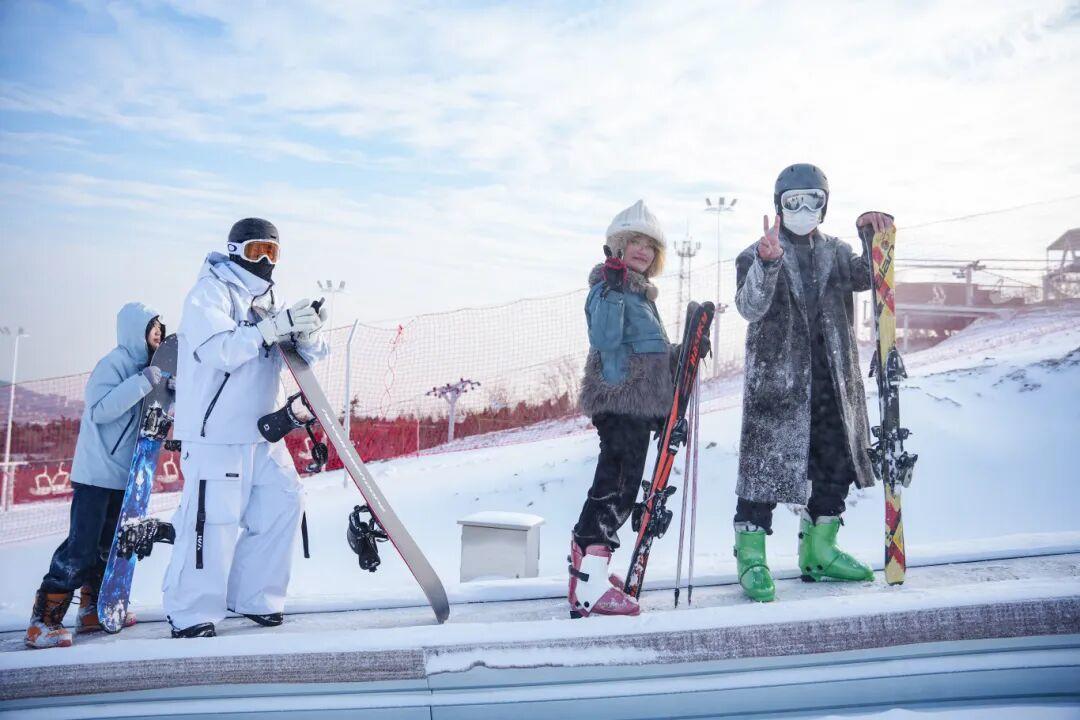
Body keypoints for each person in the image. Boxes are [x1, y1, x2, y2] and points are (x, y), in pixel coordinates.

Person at [732, 163, 893, 602]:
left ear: (825, 205)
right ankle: (751, 557)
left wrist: (871, 233)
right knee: (764, 472)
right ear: (779, 206)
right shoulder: (754, 254)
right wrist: (767, 264)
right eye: (793, 201)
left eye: (813, 201)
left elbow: (869, 276)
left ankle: (820, 551)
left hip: (832, 380)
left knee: (835, 462)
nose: (803, 209)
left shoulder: (837, 252)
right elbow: (749, 306)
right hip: (778, 384)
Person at [161, 217, 328, 638]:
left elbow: (303, 355)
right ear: (235, 250)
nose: (266, 260)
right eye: (257, 250)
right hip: (217, 435)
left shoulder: (271, 298)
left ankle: (255, 596)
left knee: (284, 502)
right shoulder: (209, 293)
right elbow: (219, 350)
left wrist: (307, 332)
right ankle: (191, 611)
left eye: (273, 251)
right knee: (212, 523)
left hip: (263, 431)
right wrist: (271, 328)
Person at [25, 304, 166, 648]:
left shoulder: (149, 370)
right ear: (135, 330)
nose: (158, 331)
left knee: (109, 546)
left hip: (122, 475)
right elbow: (100, 409)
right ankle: (43, 620)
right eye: (152, 326)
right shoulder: (114, 364)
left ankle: (92, 608)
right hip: (95, 474)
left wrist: (165, 387)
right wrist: (142, 383)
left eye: (160, 327)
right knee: (81, 546)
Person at [568, 199, 674, 618]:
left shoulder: (640, 294)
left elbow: (647, 351)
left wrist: (682, 355)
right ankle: (590, 585)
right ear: (617, 246)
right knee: (616, 488)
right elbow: (606, 338)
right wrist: (612, 289)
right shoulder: (608, 288)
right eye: (634, 242)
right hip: (619, 401)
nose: (642, 251)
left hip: (639, 404)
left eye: (650, 246)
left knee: (619, 486)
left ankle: (586, 570)